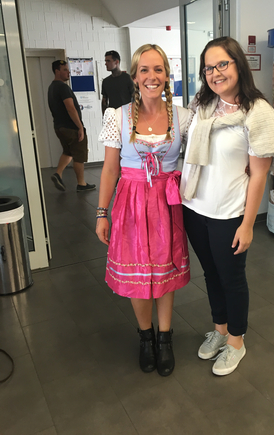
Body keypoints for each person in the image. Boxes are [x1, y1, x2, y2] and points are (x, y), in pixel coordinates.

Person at [180, 36, 274, 376]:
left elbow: (259, 175)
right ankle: (221, 329)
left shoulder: (257, 113)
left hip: (229, 214)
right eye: (209, 67)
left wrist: (247, 224)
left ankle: (237, 343)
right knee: (211, 274)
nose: (215, 73)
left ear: (238, 64)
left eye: (222, 64)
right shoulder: (203, 105)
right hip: (195, 208)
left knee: (232, 279)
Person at [96, 44, 190, 377]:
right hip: (131, 203)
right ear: (135, 76)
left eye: (159, 70)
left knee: (163, 272)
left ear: (167, 75)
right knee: (138, 275)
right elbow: (109, 170)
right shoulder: (118, 116)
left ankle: (165, 338)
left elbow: (200, 158)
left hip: (167, 201)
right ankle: (145, 335)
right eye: (145, 71)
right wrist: (101, 212)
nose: (152, 77)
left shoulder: (184, 116)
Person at [48, 60, 96, 192]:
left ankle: (58, 173)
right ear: (57, 71)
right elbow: (70, 108)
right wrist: (80, 127)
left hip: (59, 127)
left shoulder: (52, 87)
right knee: (79, 155)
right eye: (64, 69)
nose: (68, 72)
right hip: (70, 127)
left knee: (68, 151)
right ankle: (81, 184)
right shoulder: (63, 87)